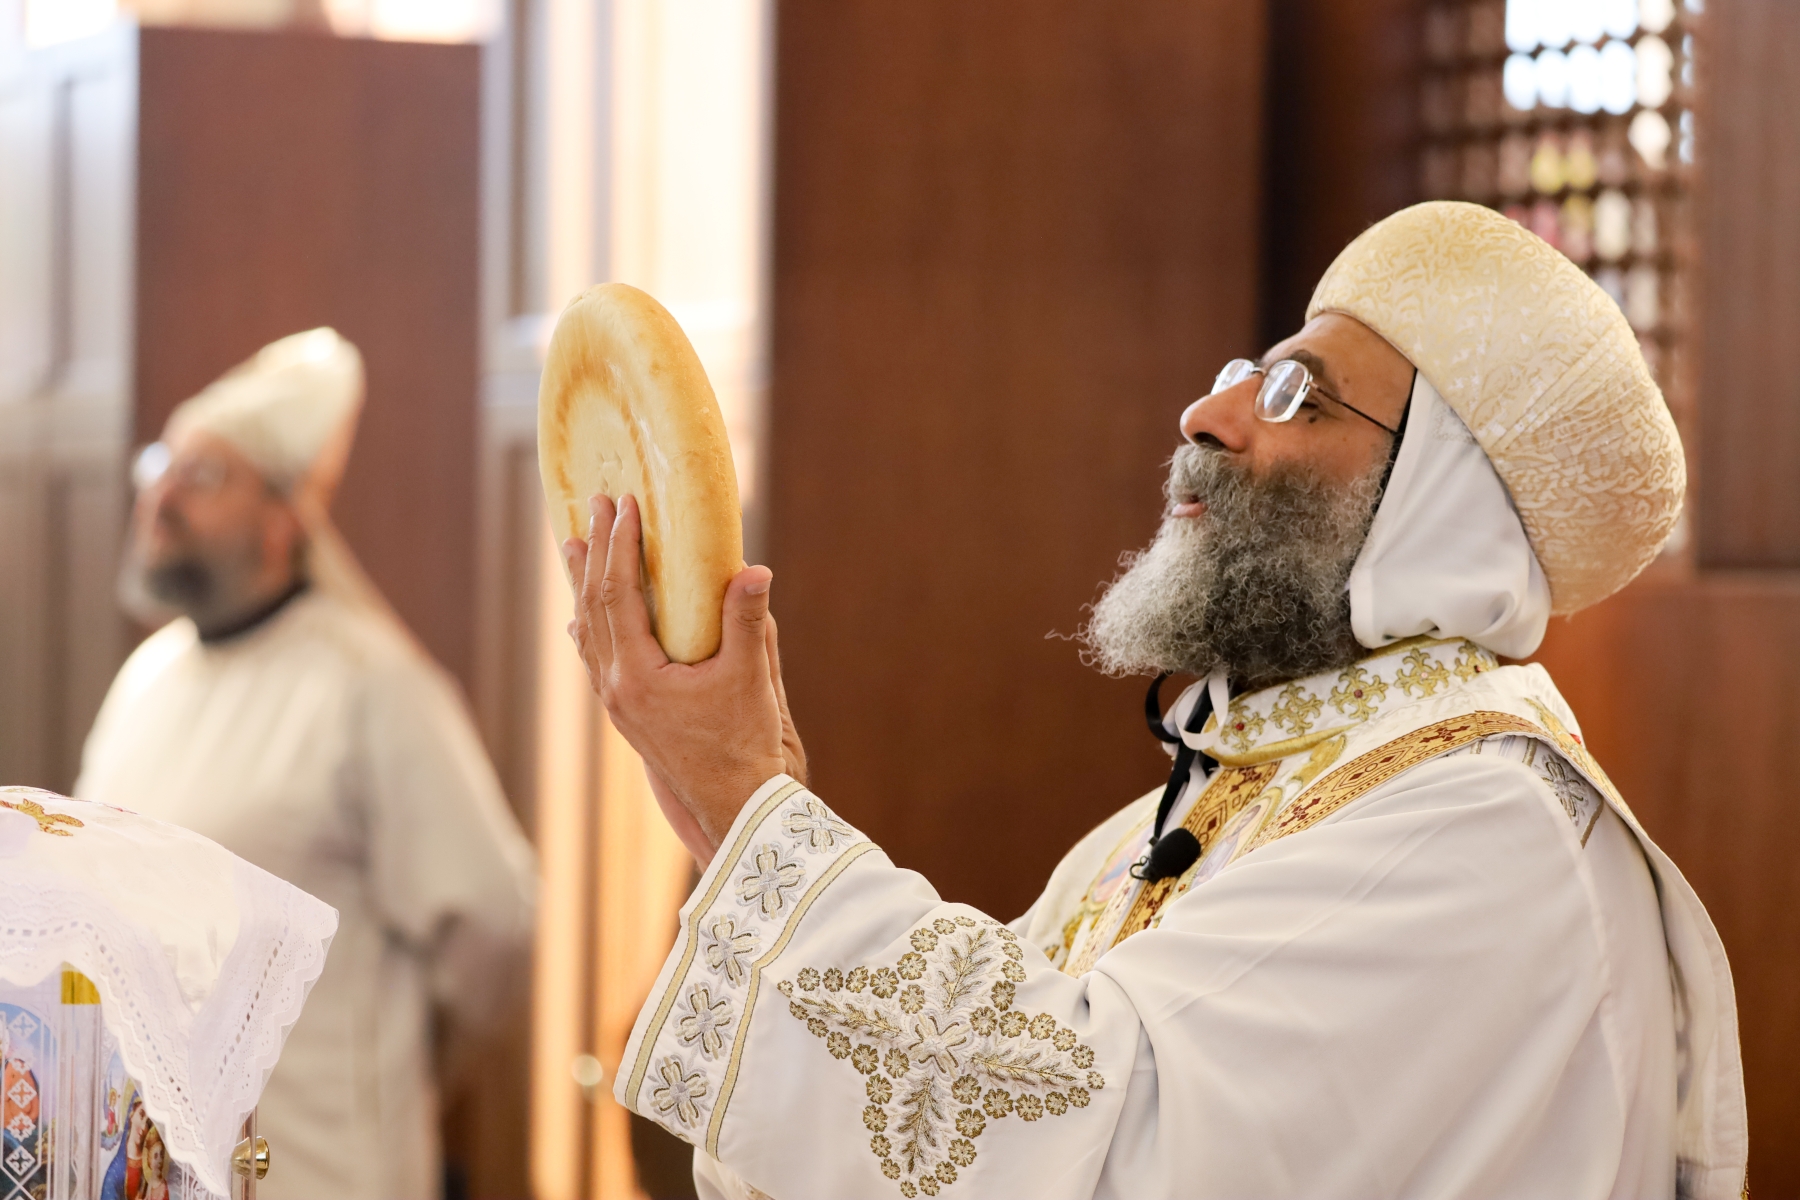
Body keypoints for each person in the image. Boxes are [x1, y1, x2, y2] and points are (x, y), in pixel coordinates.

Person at [565, 203, 1747, 1199]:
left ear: (1439, 500)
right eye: (1245, 376)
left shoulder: (1482, 825)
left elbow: (1096, 1142)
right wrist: (737, 814)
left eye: (1299, 395)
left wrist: (748, 797)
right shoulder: (1196, 804)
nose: (1207, 415)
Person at [77, 329, 537, 1200]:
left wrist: (393, 1065)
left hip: (325, 1167)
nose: (163, 495)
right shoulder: (147, 678)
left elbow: (493, 925)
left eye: (204, 476)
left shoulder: (371, 685)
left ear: (285, 518)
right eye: (161, 466)